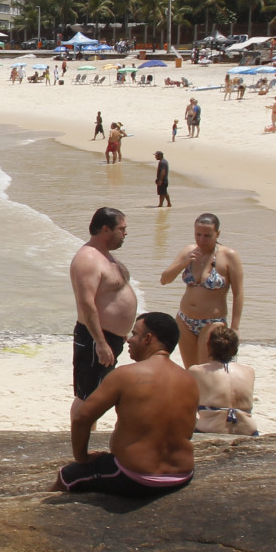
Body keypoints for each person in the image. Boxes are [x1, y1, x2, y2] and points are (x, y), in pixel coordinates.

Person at [55, 313, 196, 499]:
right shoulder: (190, 379)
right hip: (182, 475)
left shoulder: (125, 375)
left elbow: (82, 417)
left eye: (135, 334)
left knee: (66, 477)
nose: (129, 340)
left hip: (136, 477)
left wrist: (82, 458)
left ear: (148, 339)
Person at [158, 212, 245, 368]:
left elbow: (238, 293)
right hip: (184, 320)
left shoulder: (229, 256)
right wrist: (184, 263)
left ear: (217, 234)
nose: (201, 240)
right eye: (198, 234)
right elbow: (165, 280)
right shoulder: (188, 251)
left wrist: (235, 327)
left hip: (212, 322)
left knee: (206, 370)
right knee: (191, 370)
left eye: (207, 235)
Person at [70, 207, 136, 405]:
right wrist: (100, 342)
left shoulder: (106, 255)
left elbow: (110, 296)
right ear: (106, 229)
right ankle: (83, 436)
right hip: (94, 339)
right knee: (87, 398)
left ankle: (90, 434)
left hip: (109, 338)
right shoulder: (88, 259)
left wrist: (121, 329)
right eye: (122, 229)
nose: (125, 233)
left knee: (99, 394)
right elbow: (86, 304)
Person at [191, 322, 258, 436]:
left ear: (209, 345)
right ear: (235, 348)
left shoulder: (197, 371)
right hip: (248, 432)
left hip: (209, 431)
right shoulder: (249, 371)